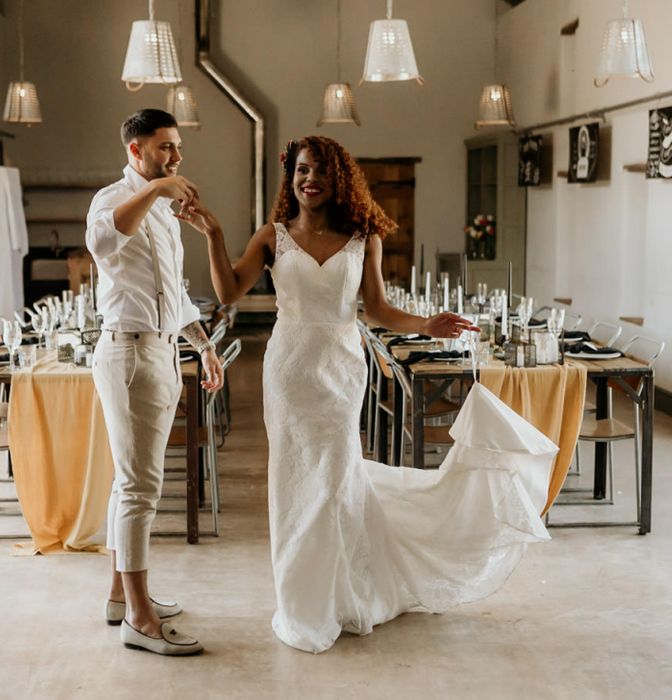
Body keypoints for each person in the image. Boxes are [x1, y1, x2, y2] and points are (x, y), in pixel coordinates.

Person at [179, 135, 550, 654]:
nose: (310, 180)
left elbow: (375, 308)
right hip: (288, 371)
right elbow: (227, 291)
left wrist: (426, 324)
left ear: (339, 181)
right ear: (292, 178)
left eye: (321, 173)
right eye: (303, 171)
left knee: (333, 479)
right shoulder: (272, 237)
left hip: (341, 366)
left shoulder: (363, 238)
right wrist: (214, 235)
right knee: (293, 481)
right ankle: (301, 603)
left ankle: (340, 594)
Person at [86, 109, 223, 656]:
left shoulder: (165, 212)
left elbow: (176, 293)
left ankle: (121, 597)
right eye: (166, 148)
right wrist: (160, 187)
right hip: (127, 353)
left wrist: (204, 345)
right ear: (136, 150)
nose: (176, 157)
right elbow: (104, 241)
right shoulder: (110, 199)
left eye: (177, 148)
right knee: (141, 487)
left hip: (163, 353)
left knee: (131, 485)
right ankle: (140, 620)